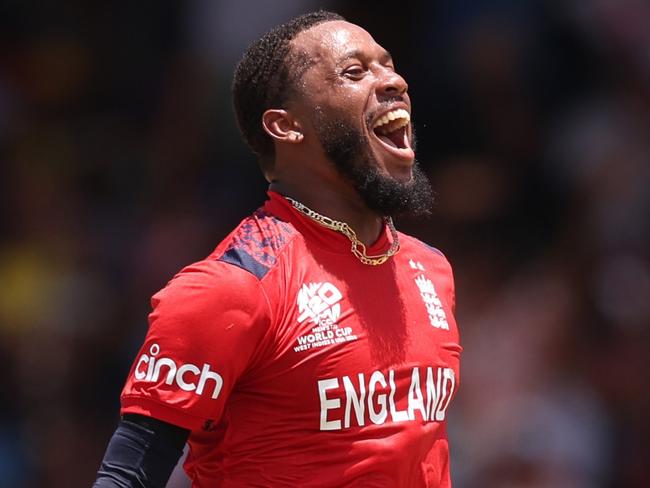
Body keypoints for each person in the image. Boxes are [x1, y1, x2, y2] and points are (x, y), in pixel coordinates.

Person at [94, 10, 461, 487]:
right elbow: (127, 478)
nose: (392, 80)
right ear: (287, 126)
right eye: (355, 72)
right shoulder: (230, 289)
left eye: (387, 64)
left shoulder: (429, 269)